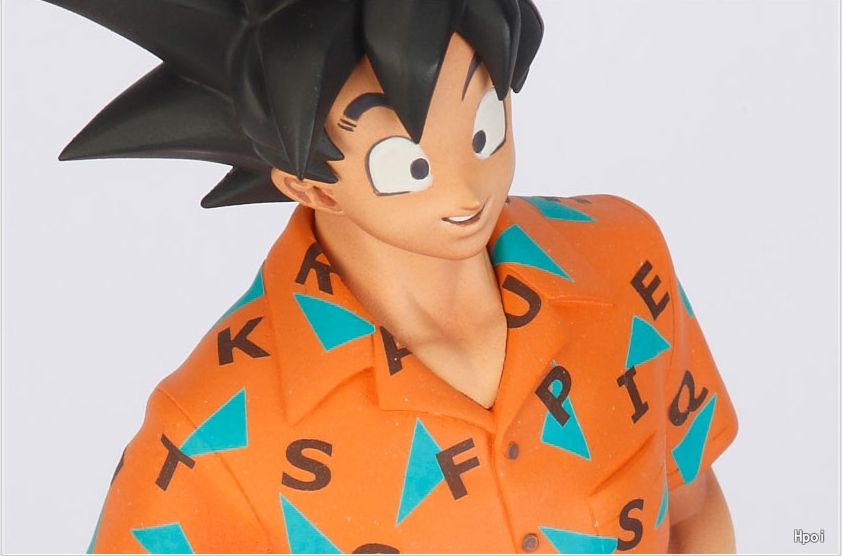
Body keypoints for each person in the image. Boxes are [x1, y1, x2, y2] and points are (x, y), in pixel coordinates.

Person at [45, 0, 738, 553]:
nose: (466, 189)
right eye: (408, 166)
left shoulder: (623, 263)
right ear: (308, 184)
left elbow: (694, 509)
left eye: (485, 127)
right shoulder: (210, 433)